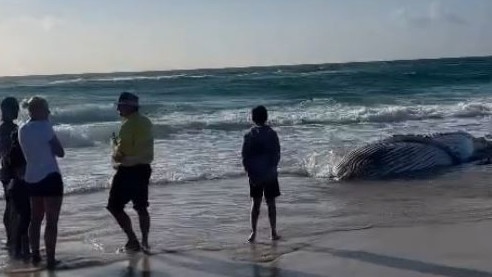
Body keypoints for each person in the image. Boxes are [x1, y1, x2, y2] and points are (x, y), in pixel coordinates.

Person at [18, 96, 65, 270]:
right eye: (46, 109)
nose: (49, 113)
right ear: (37, 110)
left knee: (36, 219)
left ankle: (35, 253)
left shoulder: (22, 129)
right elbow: (60, 152)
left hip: (32, 178)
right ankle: (51, 259)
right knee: (51, 221)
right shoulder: (45, 126)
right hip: (50, 177)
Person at [107, 92, 153, 252]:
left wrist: (114, 148)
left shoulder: (127, 125)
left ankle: (132, 239)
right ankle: (145, 241)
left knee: (114, 206)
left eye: (120, 105)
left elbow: (121, 154)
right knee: (141, 206)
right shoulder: (146, 122)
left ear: (127, 106)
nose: (118, 108)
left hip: (128, 170)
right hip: (144, 169)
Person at [241, 105, 281, 242]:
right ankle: (273, 232)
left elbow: (245, 156)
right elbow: (276, 154)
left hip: (255, 173)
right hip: (270, 173)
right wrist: (273, 168)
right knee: (271, 203)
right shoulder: (272, 133)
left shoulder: (249, 135)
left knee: (255, 203)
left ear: (253, 118)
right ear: (266, 117)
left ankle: (253, 232)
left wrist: (248, 171)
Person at [0, 97, 20, 249]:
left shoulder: (14, 128)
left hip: (8, 170)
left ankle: (11, 237)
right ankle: (11, 238)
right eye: (14, 109)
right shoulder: (11, 129)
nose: (16, 111)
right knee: (13, 205)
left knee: (11, 204)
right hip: (11, 171)